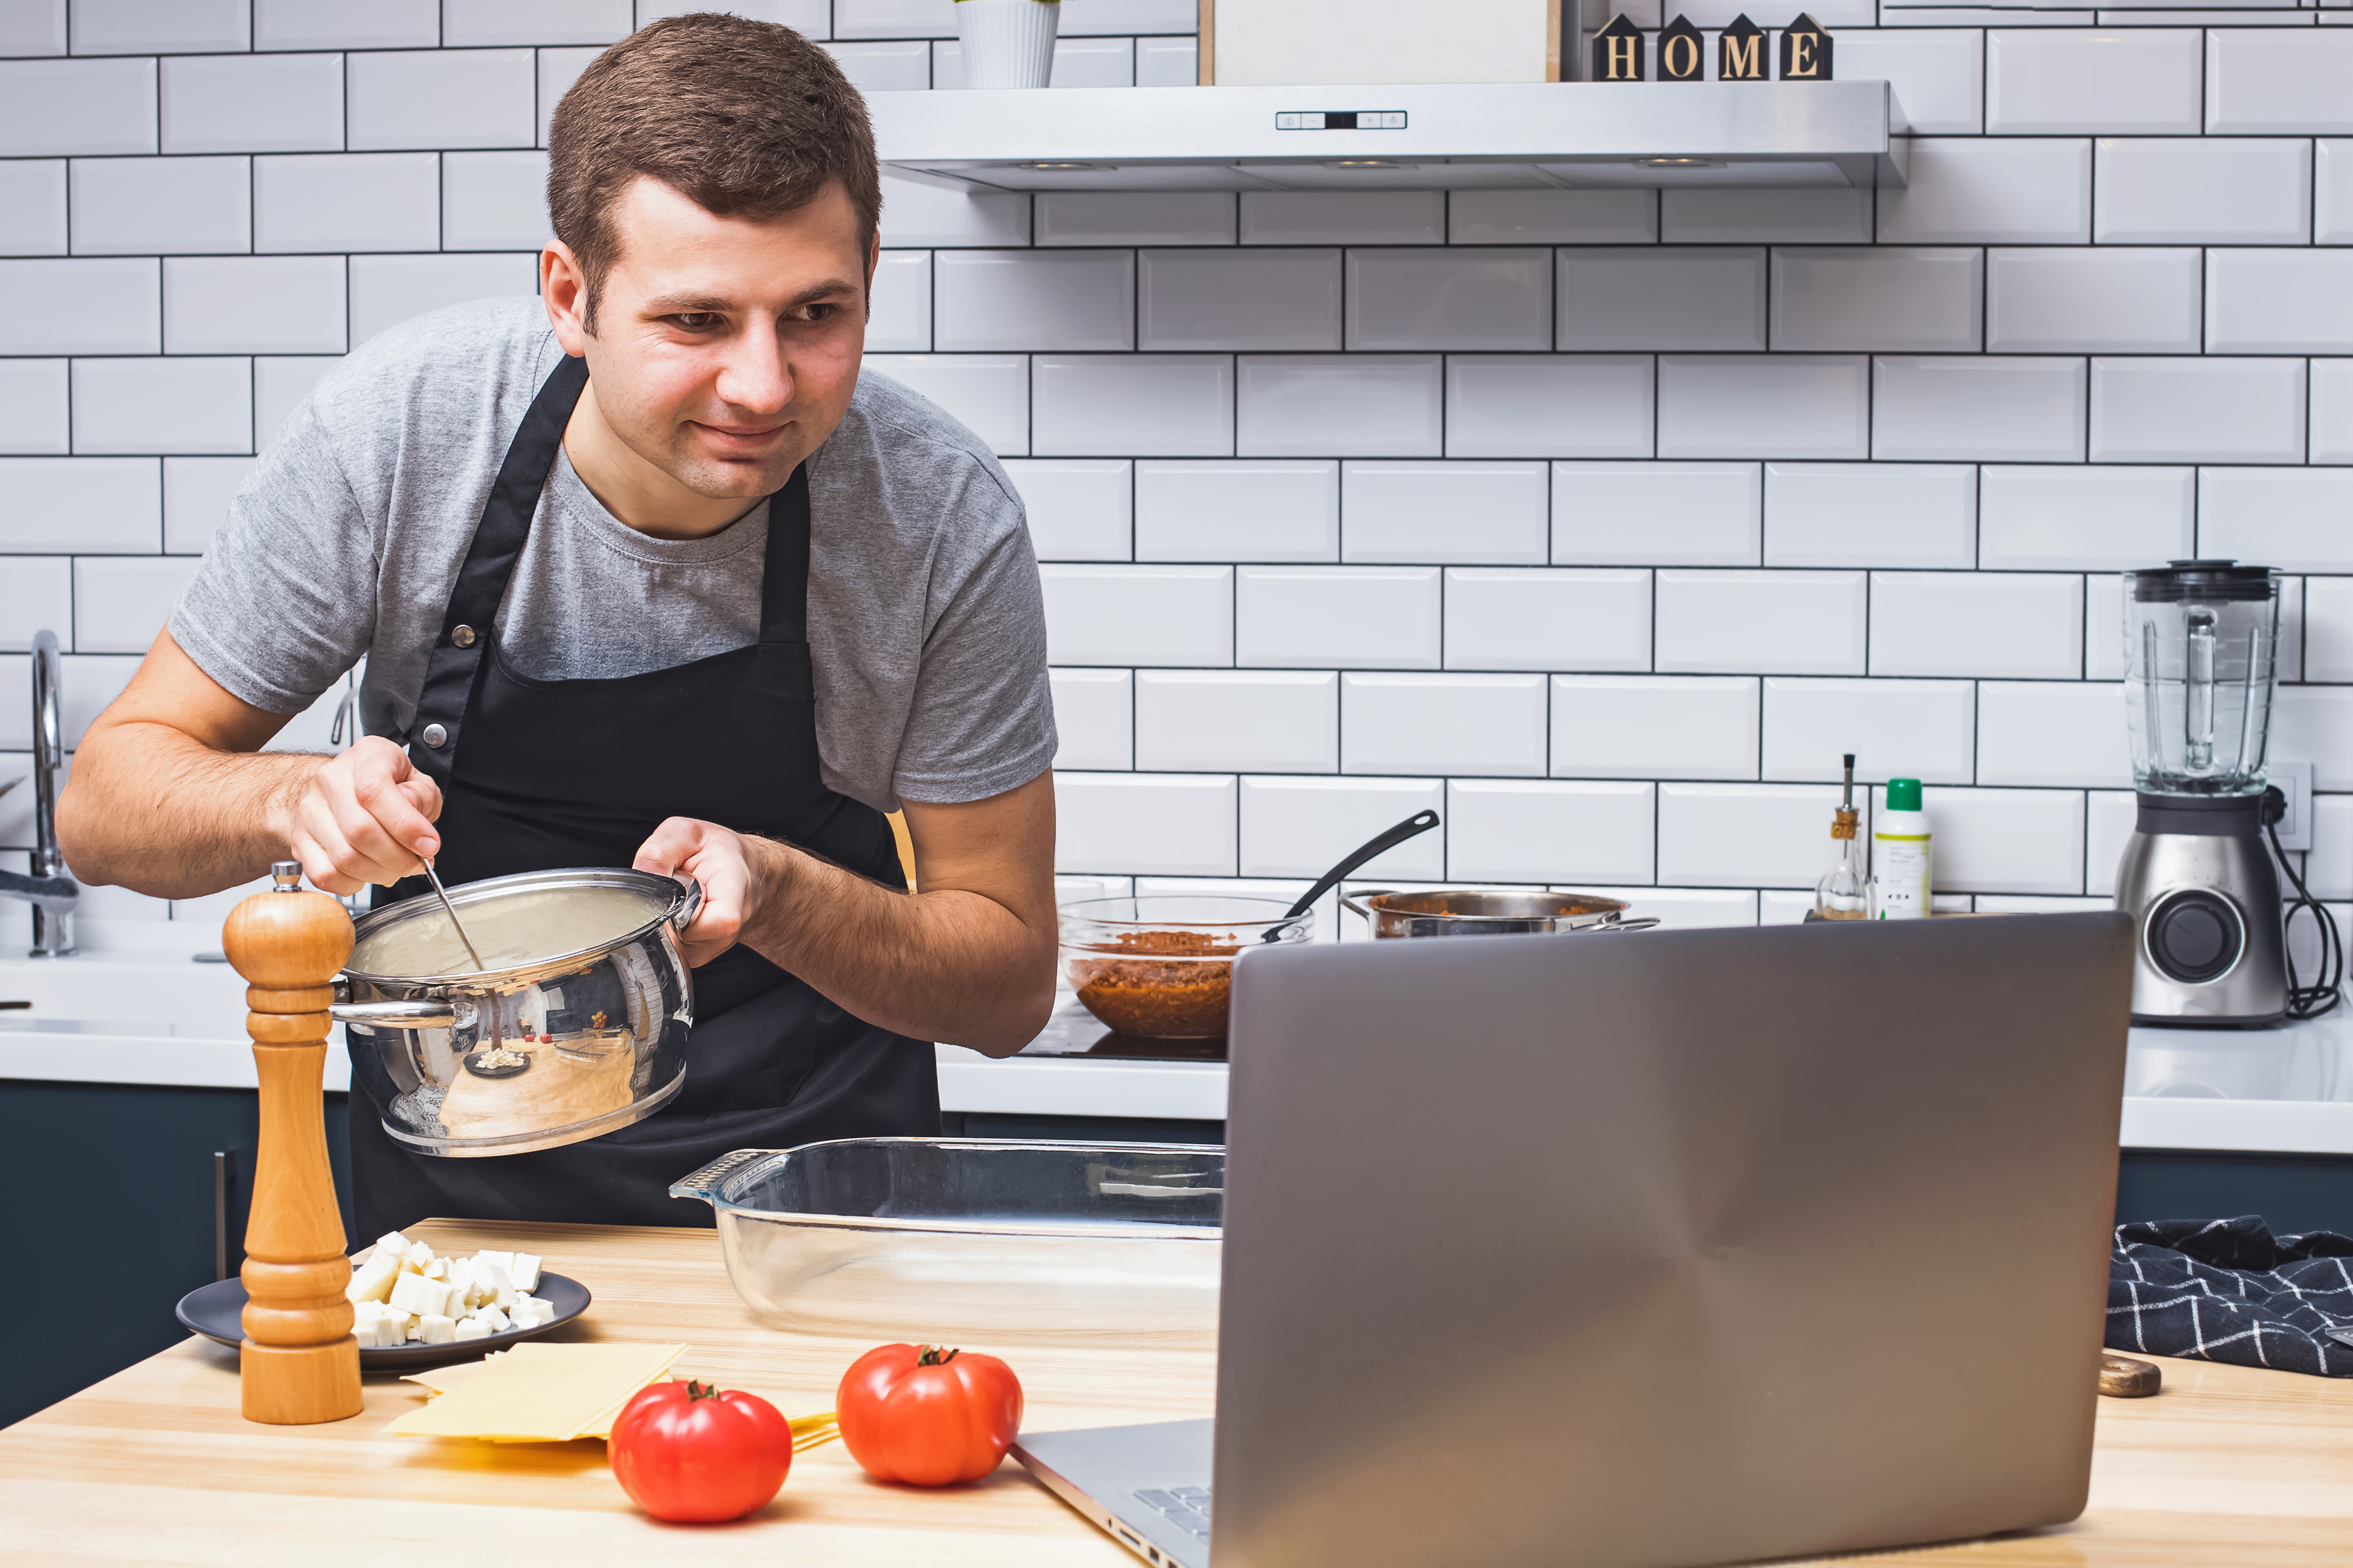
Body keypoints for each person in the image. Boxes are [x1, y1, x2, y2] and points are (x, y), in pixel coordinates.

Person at [56, 14, 1059, 1236]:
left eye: (815, 315)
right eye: (696, 322)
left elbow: (1008, 986)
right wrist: (290, 797)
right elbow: (102, 805)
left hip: (816, 1221)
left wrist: (785, 894)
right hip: (466, 1212)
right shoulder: (405, 434)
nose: (764, 387)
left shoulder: (937, 517)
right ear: (570, 296)